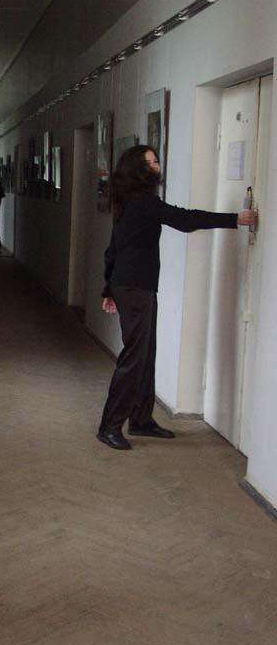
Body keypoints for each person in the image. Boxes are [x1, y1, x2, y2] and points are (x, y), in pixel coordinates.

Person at [97, 144, 257, 451]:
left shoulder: (129, 201)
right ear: (137, 170)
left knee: (146, 354)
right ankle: (109, 426)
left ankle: (141, 420)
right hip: (134, 288)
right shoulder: (143, 202)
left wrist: (109, 288)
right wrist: (235, 218)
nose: (157, 166)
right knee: (134, 358)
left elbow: (113, 248)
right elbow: (184, 219)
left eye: (156, 160)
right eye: (150, 162)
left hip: (134, 286)